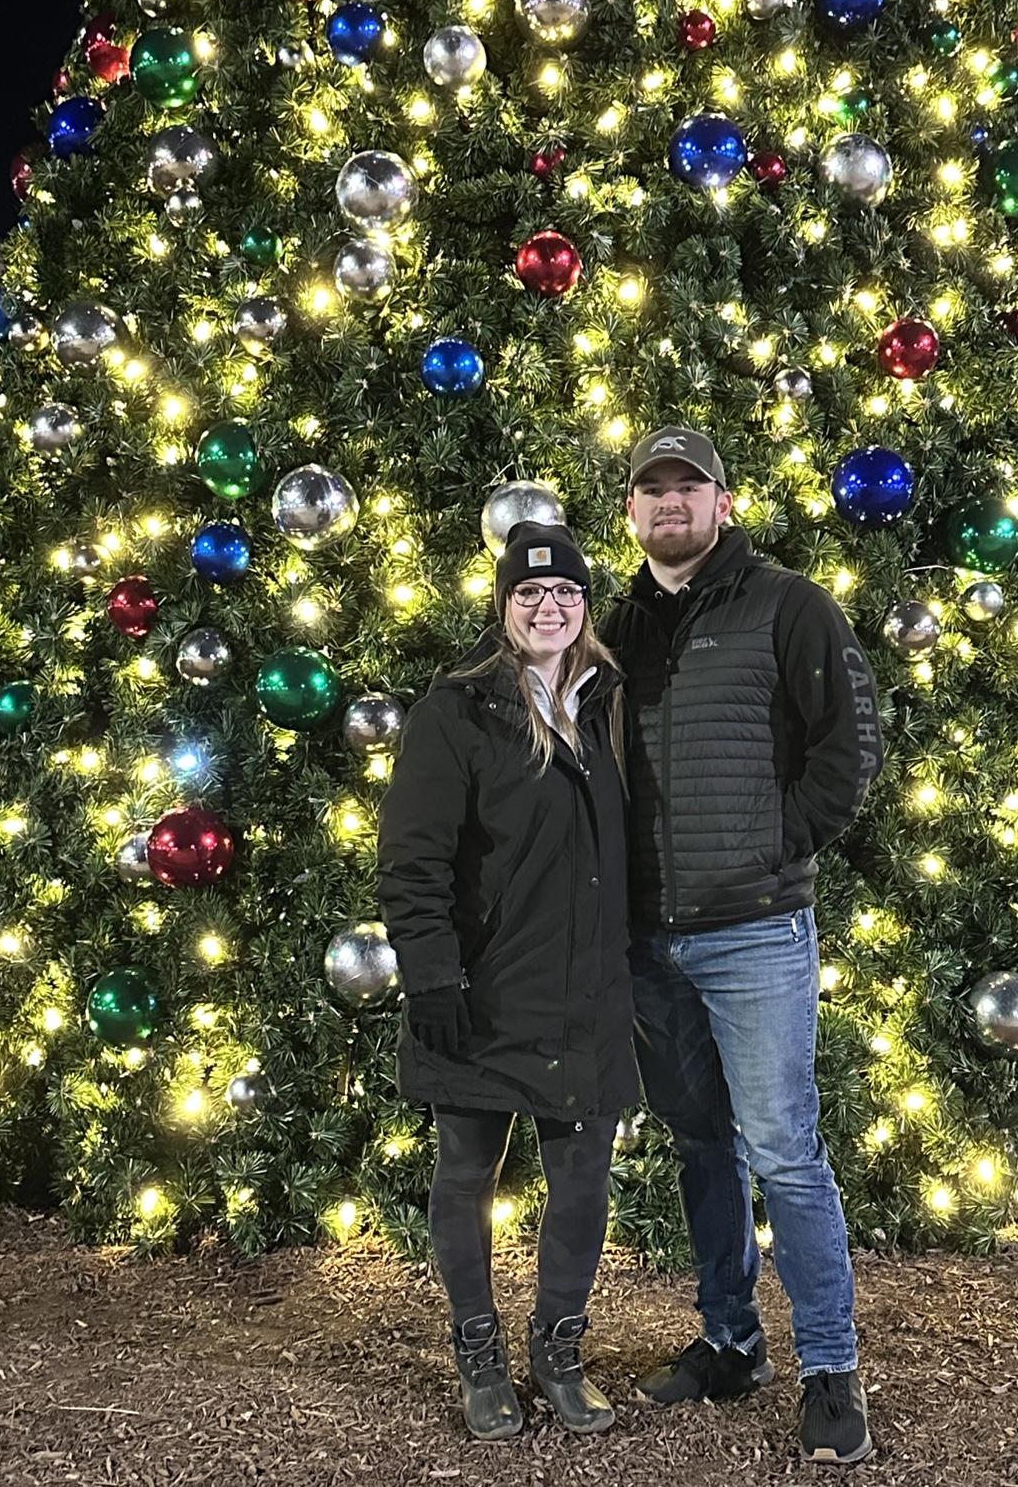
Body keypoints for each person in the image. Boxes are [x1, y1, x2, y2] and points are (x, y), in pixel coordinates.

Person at [598, 426, 885, 1466]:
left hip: (754, 931)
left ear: (725, 502)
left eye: (690, 486)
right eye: (651, 489)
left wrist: (776, 845)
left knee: (785, 1152)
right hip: (647, 937)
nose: (670, 503)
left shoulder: (787, 605)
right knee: (699, 1145)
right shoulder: (613, 626)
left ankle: (830, 1368)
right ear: (631, 511)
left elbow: (850, 747)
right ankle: (730, 1341)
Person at [376, 521, 635, 1442]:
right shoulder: (460, 709)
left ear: (584, 605)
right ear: (503, 606)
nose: (549, 607)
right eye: (529, 594)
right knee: (466, 1176)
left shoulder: (611, 702)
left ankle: (559, 1353)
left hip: (587, 995)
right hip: (482, 992)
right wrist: (431, 976)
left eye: (565, 592)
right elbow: (413, 857)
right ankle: (479, 1356)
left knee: (580, 1185)